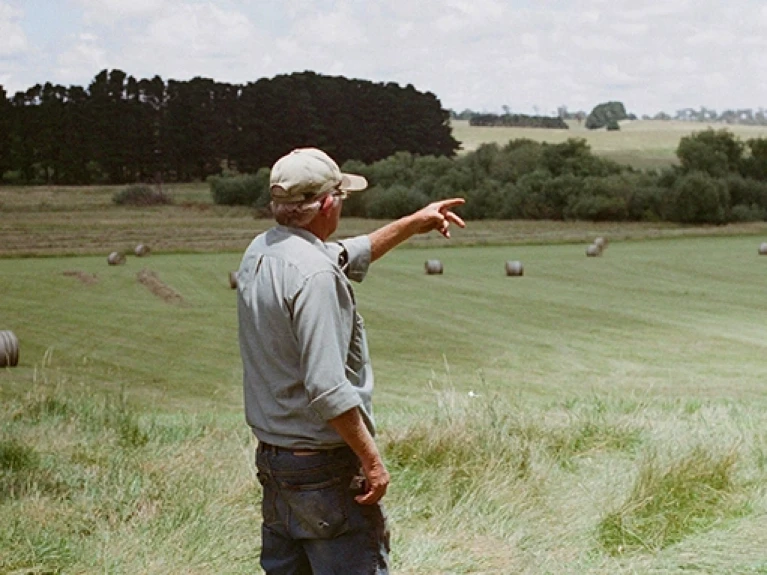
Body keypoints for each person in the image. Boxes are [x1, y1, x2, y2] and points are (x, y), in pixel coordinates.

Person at [236, 147, 465, 574]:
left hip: (276, 462)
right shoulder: (317, 277)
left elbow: (347, 253)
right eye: (340, 196)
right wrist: (372, 460)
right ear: (327, 204)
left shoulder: (262, 251)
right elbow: (327, 387)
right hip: (324, 468)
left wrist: (414, 223)